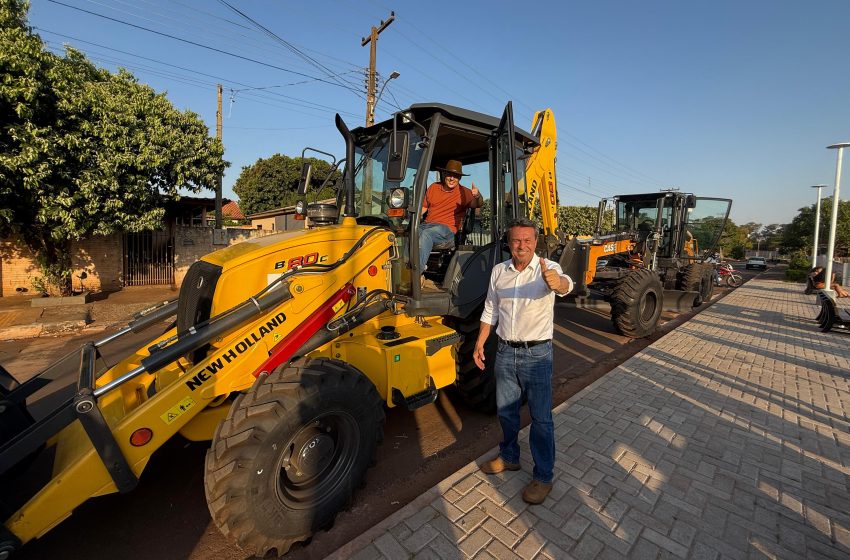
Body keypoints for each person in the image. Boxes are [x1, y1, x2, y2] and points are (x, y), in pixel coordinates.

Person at [473, 218, 573, 504]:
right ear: (509, 242)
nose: (522, 246)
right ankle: (509, 456)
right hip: (504, 352)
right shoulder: (498, 272)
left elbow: (565, 285)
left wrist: (558, 283)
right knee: (506, 412)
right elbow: (490, 308)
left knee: (541, 418)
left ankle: (543, 476)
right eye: (517, 240)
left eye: (528, 240)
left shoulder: (548, 269)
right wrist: (480, 342)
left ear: (536, 242)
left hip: (537, 355)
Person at [419, 160, 483, 276]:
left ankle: (415, 274)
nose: (452, 178)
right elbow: (423, 207)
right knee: (409, 234)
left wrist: (478, 196)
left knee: (426, 234)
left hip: (447, 230)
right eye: (449, 175)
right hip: (427, 224)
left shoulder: (464, 192)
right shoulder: (434, 187)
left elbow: (477, 204)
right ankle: (404, 269)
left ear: (459, 178)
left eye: (456, 176)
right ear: (444, 175)